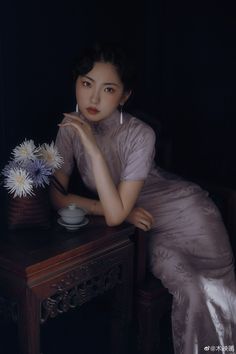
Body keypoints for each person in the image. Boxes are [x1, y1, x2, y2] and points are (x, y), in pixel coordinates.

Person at [50, 42, 236, 354]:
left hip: (188, 215)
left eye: (108, 89)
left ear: (124, 96)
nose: (93, 98)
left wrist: (94, 153)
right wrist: (123, 210)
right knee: (191, 288)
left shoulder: (141, 134)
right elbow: (57, 198)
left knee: (216, 290)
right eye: (86, 84)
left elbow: (114, 216)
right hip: (146, 226)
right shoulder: (70, 129)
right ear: (76, 85)